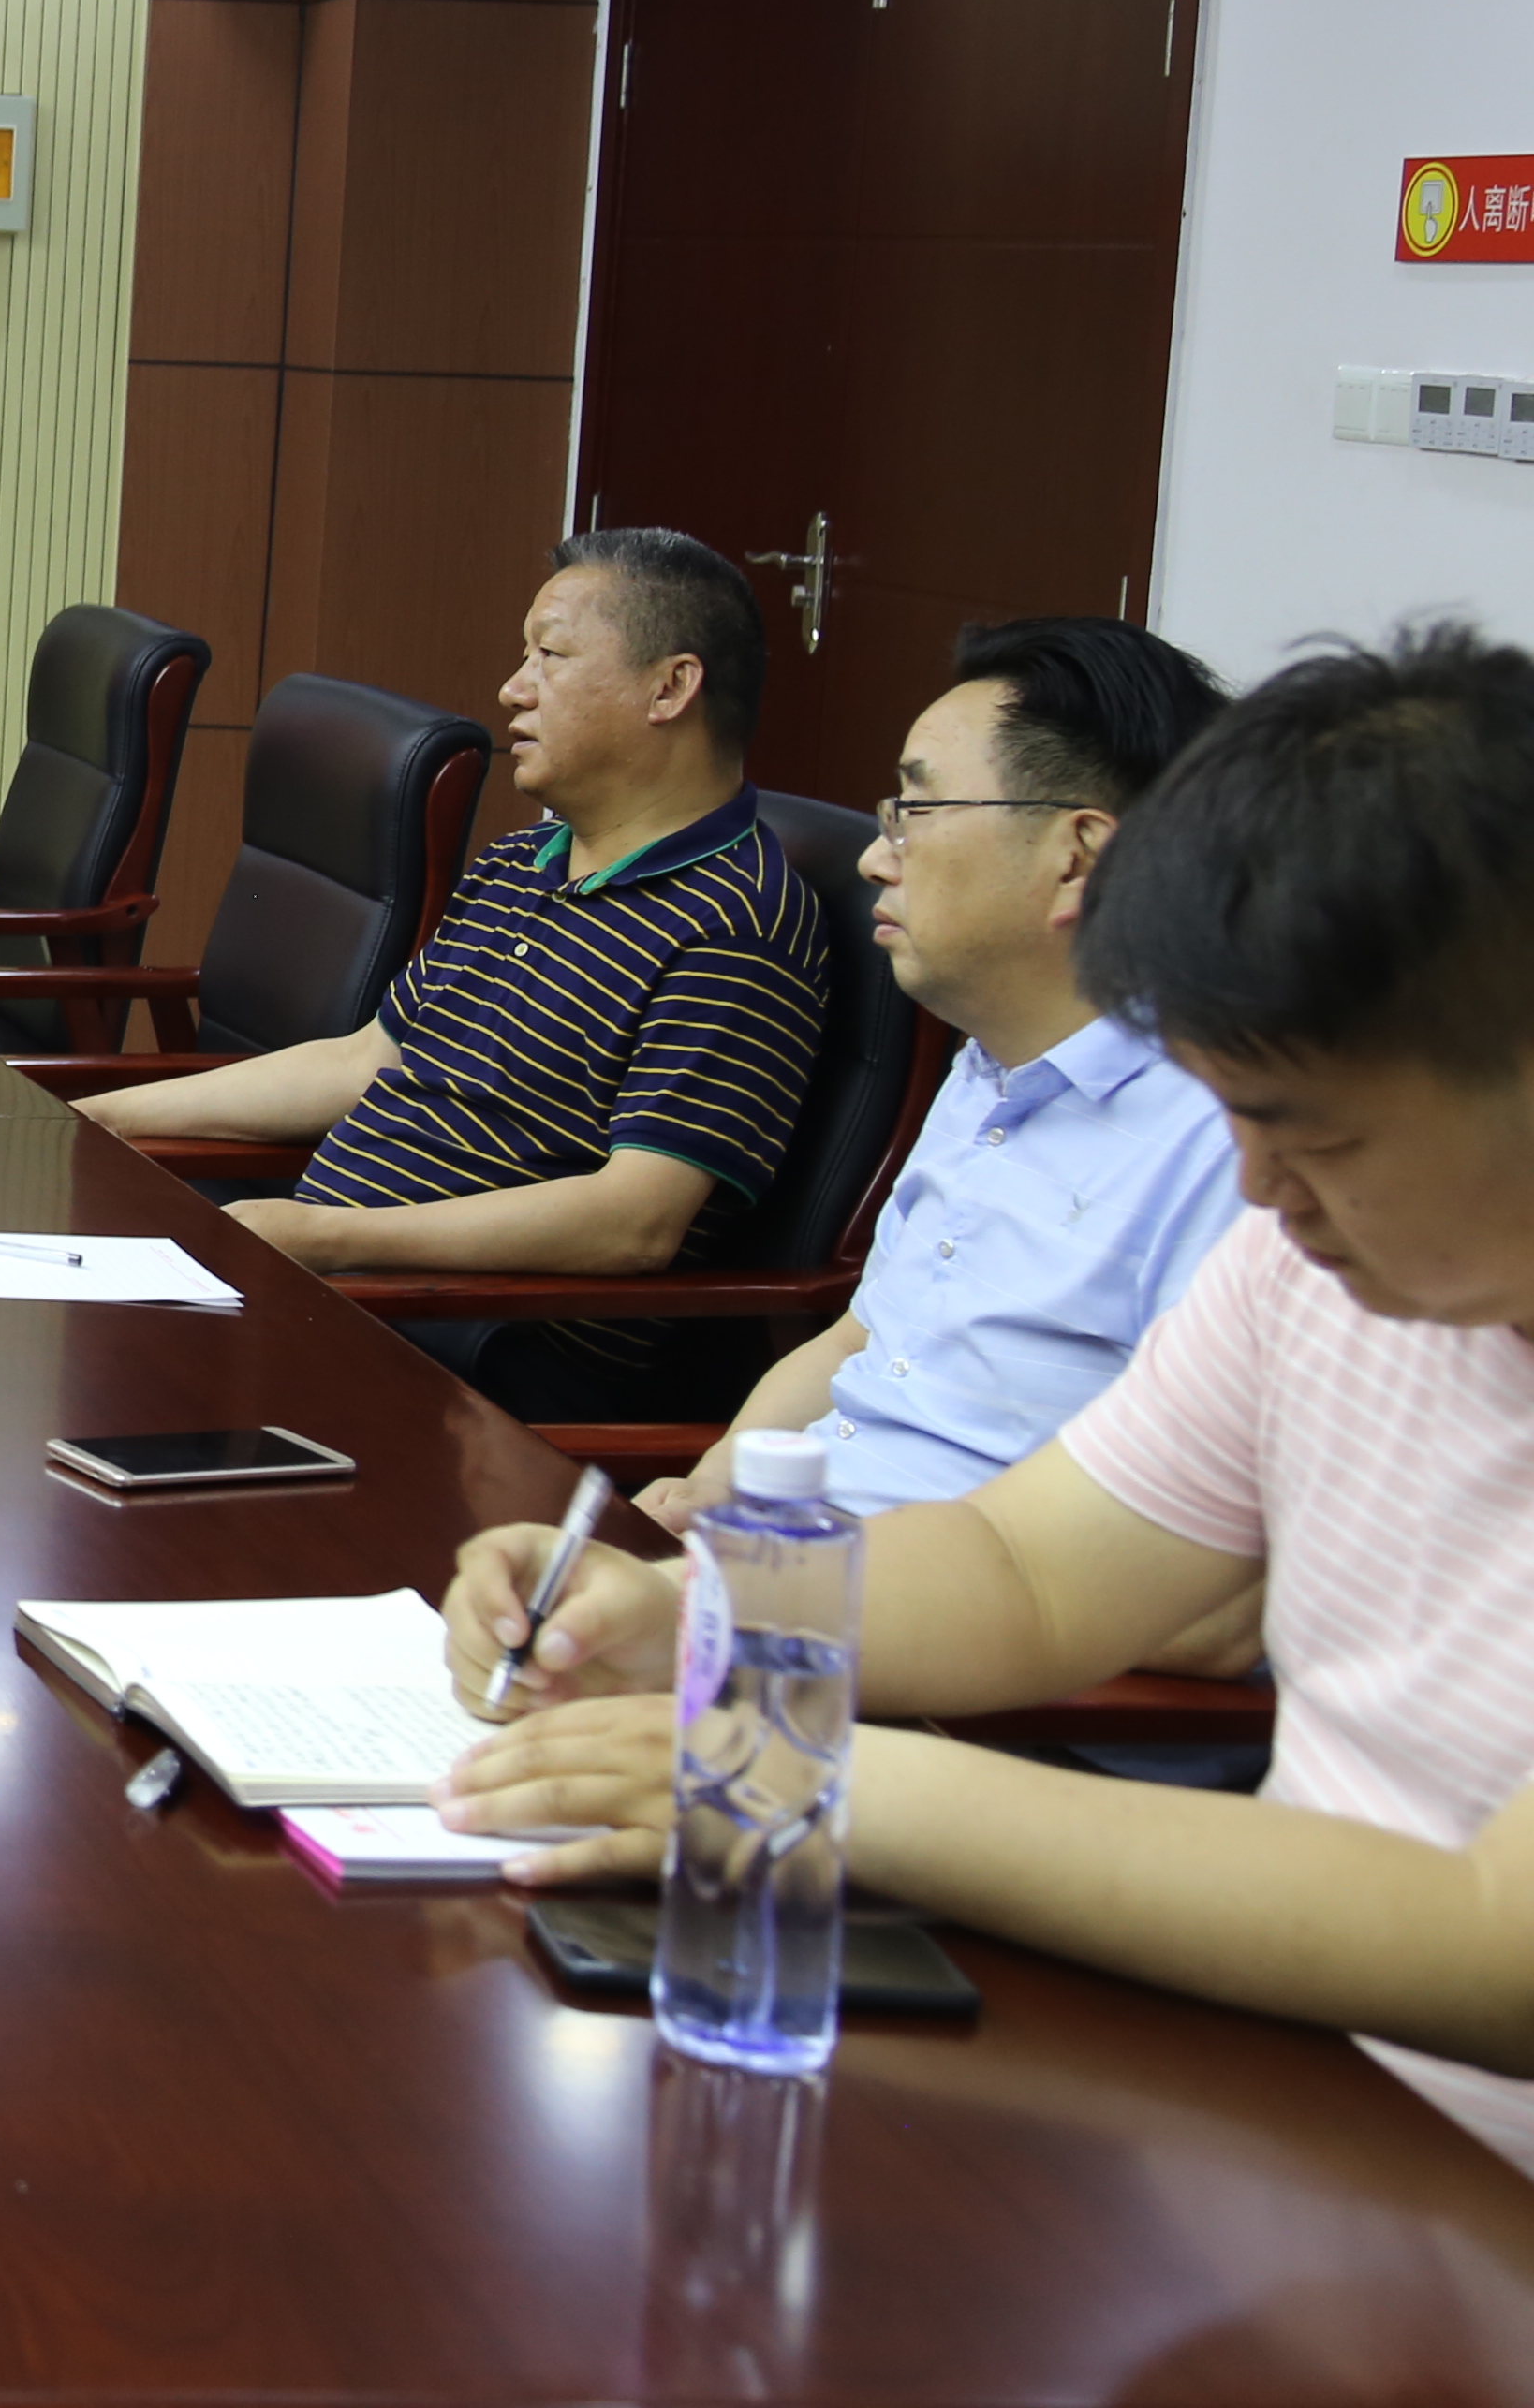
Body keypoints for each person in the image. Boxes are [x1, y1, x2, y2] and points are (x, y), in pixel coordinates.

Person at [439, 624, 1534, 2180]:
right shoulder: (1313, 1267)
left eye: (1317, 1135)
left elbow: (1497, 1943)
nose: (1255, 1187)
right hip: (1279, 2103)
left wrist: (821, 1779)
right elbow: (1030, 1569)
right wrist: (688, 1610)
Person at [77, 530, 839, 1416]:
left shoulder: (739, 923)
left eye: (550, 656)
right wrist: (100, 1118)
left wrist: (322, 1235)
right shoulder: (523, 861)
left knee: (75, 1383)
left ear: (669, 688)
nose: (513, 689)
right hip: (342, 1299)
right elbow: (368, 1059)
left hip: (474, 1356)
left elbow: (634, 1222)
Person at [631, 617, 1241, 1542]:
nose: (876, 857)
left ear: (1076, 856)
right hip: (791, 1564)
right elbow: (861, 1337)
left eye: (914, 813)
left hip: (949, 1612)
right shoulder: (990, 1063)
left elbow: (1179, 1559)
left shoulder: (1225, 1148)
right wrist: (709, 1494)